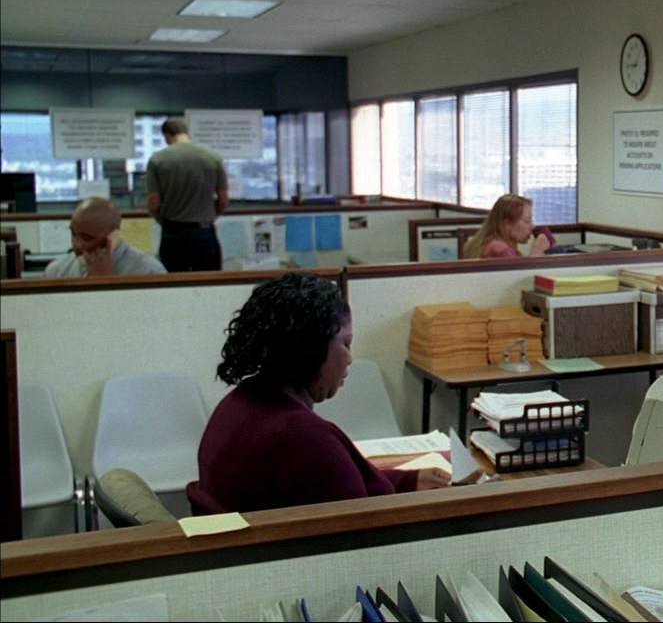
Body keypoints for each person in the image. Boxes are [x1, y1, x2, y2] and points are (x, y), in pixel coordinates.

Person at [187, 273, 455, 514]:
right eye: (346, 343)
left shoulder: (238, 402)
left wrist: (409, 480)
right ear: (311, 348)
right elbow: (361, 530)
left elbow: (329, 486)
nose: (350, 358)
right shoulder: (303, 437)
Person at [145, 117, 228, 272]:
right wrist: (209, 217)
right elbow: (223, 199)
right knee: (209, 282)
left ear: (166, 136)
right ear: (187, 133)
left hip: (173, 233)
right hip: (204, 232)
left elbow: (153, 202)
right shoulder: (213, 157)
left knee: (175, 283)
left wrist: (163, 220)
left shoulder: (157, 160)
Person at [44, 197, 166, 278]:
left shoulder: (149, 272)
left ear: (113, 237)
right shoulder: (56, 271)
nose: (77, 245)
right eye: (73, 234)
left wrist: (101, 282)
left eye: (87, 238)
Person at [462, 193, 552, 258]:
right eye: (527, 221)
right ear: (507, 224)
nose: (532, 226)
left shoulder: (486, 243)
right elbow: (518, 277)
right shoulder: (501, 250)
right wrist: (536, 254)